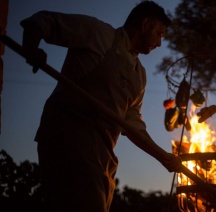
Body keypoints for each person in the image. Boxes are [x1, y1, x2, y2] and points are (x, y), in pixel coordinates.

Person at [20, 1, 181, 211]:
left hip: (103, 155)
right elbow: (43, 21)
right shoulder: (99, 34)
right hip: (69, 139)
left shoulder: (138, 75)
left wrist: (164, 157)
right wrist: (30, 48)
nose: (159, 43)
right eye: (159, 34)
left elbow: (132, 126)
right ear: (146, 24)